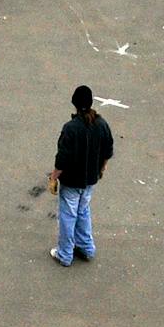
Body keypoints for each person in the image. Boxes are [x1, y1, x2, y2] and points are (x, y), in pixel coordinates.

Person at [47, 84, 114, 267]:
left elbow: (62, 159)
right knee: (83, 211)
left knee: (68, 215)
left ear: (74, 103)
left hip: (71, 181)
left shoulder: (71, 128)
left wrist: (53, 177)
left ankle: (65, 254)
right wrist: (101, 169)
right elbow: (108, 151)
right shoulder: (101, 124)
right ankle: (86, 247)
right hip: (90, 179)